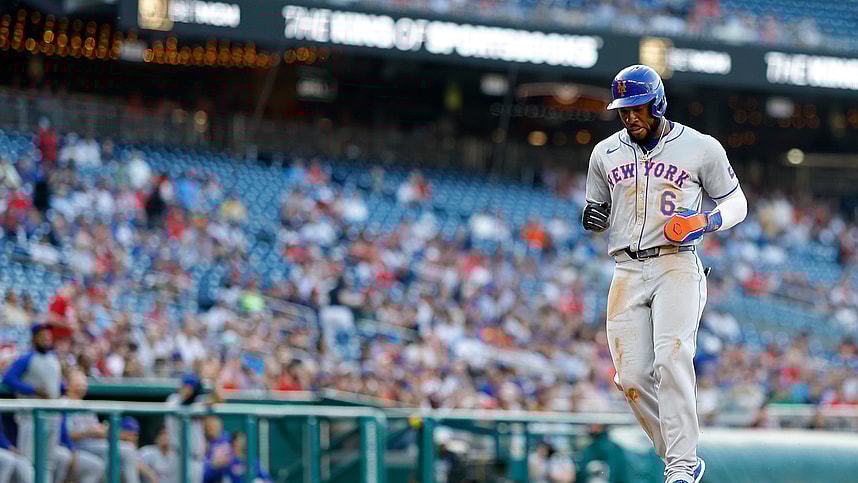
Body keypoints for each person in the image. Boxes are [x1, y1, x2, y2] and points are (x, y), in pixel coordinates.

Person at [582, 65, 748, 483]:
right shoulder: (605, 152)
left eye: (638, 109)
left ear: (657, 104)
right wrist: (593, 217)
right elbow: (596, 209)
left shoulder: (700, 147)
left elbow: (737, 203)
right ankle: (678, 456)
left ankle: (681, 465)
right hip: (626, 267)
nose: (631, 117)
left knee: (672, 357)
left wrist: (705, 222)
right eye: (624, 111)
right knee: (632, 378)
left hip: (677, 262)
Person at [3, 324, 63, 480]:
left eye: (48, 336)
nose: (46, 339)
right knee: (28, 461)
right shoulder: (26, 358)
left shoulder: (53, 358)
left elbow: (56, 384)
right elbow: (9, 378)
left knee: (48, 463)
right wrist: (32, 389)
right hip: (30, 417)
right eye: (42, 336)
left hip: (52, 416)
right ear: (35, 338)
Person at [62, 371, 140, 483]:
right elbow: (66, 435)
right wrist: (90, 431)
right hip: (74, 446)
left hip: (92, 444)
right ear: (68, 385)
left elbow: (97, 431)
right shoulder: (63, 403)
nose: (83, 385)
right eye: (79, 382)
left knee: (126, 450)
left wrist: (103, 430)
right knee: (123, 451)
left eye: (84, 382)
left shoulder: (85, 405)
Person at [202, 432, 271, 483]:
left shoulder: (251, 460)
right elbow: (210, 476)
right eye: (240, 441)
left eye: (244, 440)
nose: (243, 443)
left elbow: (267, 478)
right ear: (234, 442)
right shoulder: (226, 460)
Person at [54, 415, 105, 483]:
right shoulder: (65, 410)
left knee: (96, 465)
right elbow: (66, 435)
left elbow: (65, 436)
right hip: (76, 445)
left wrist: (71, 450)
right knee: (64, 456)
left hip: (79, 446)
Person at [0, 416, 33, 483]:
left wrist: (9, 447)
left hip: (6, 448)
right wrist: (9, 447)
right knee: (7, 460)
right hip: (5, 450)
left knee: (23, 464)